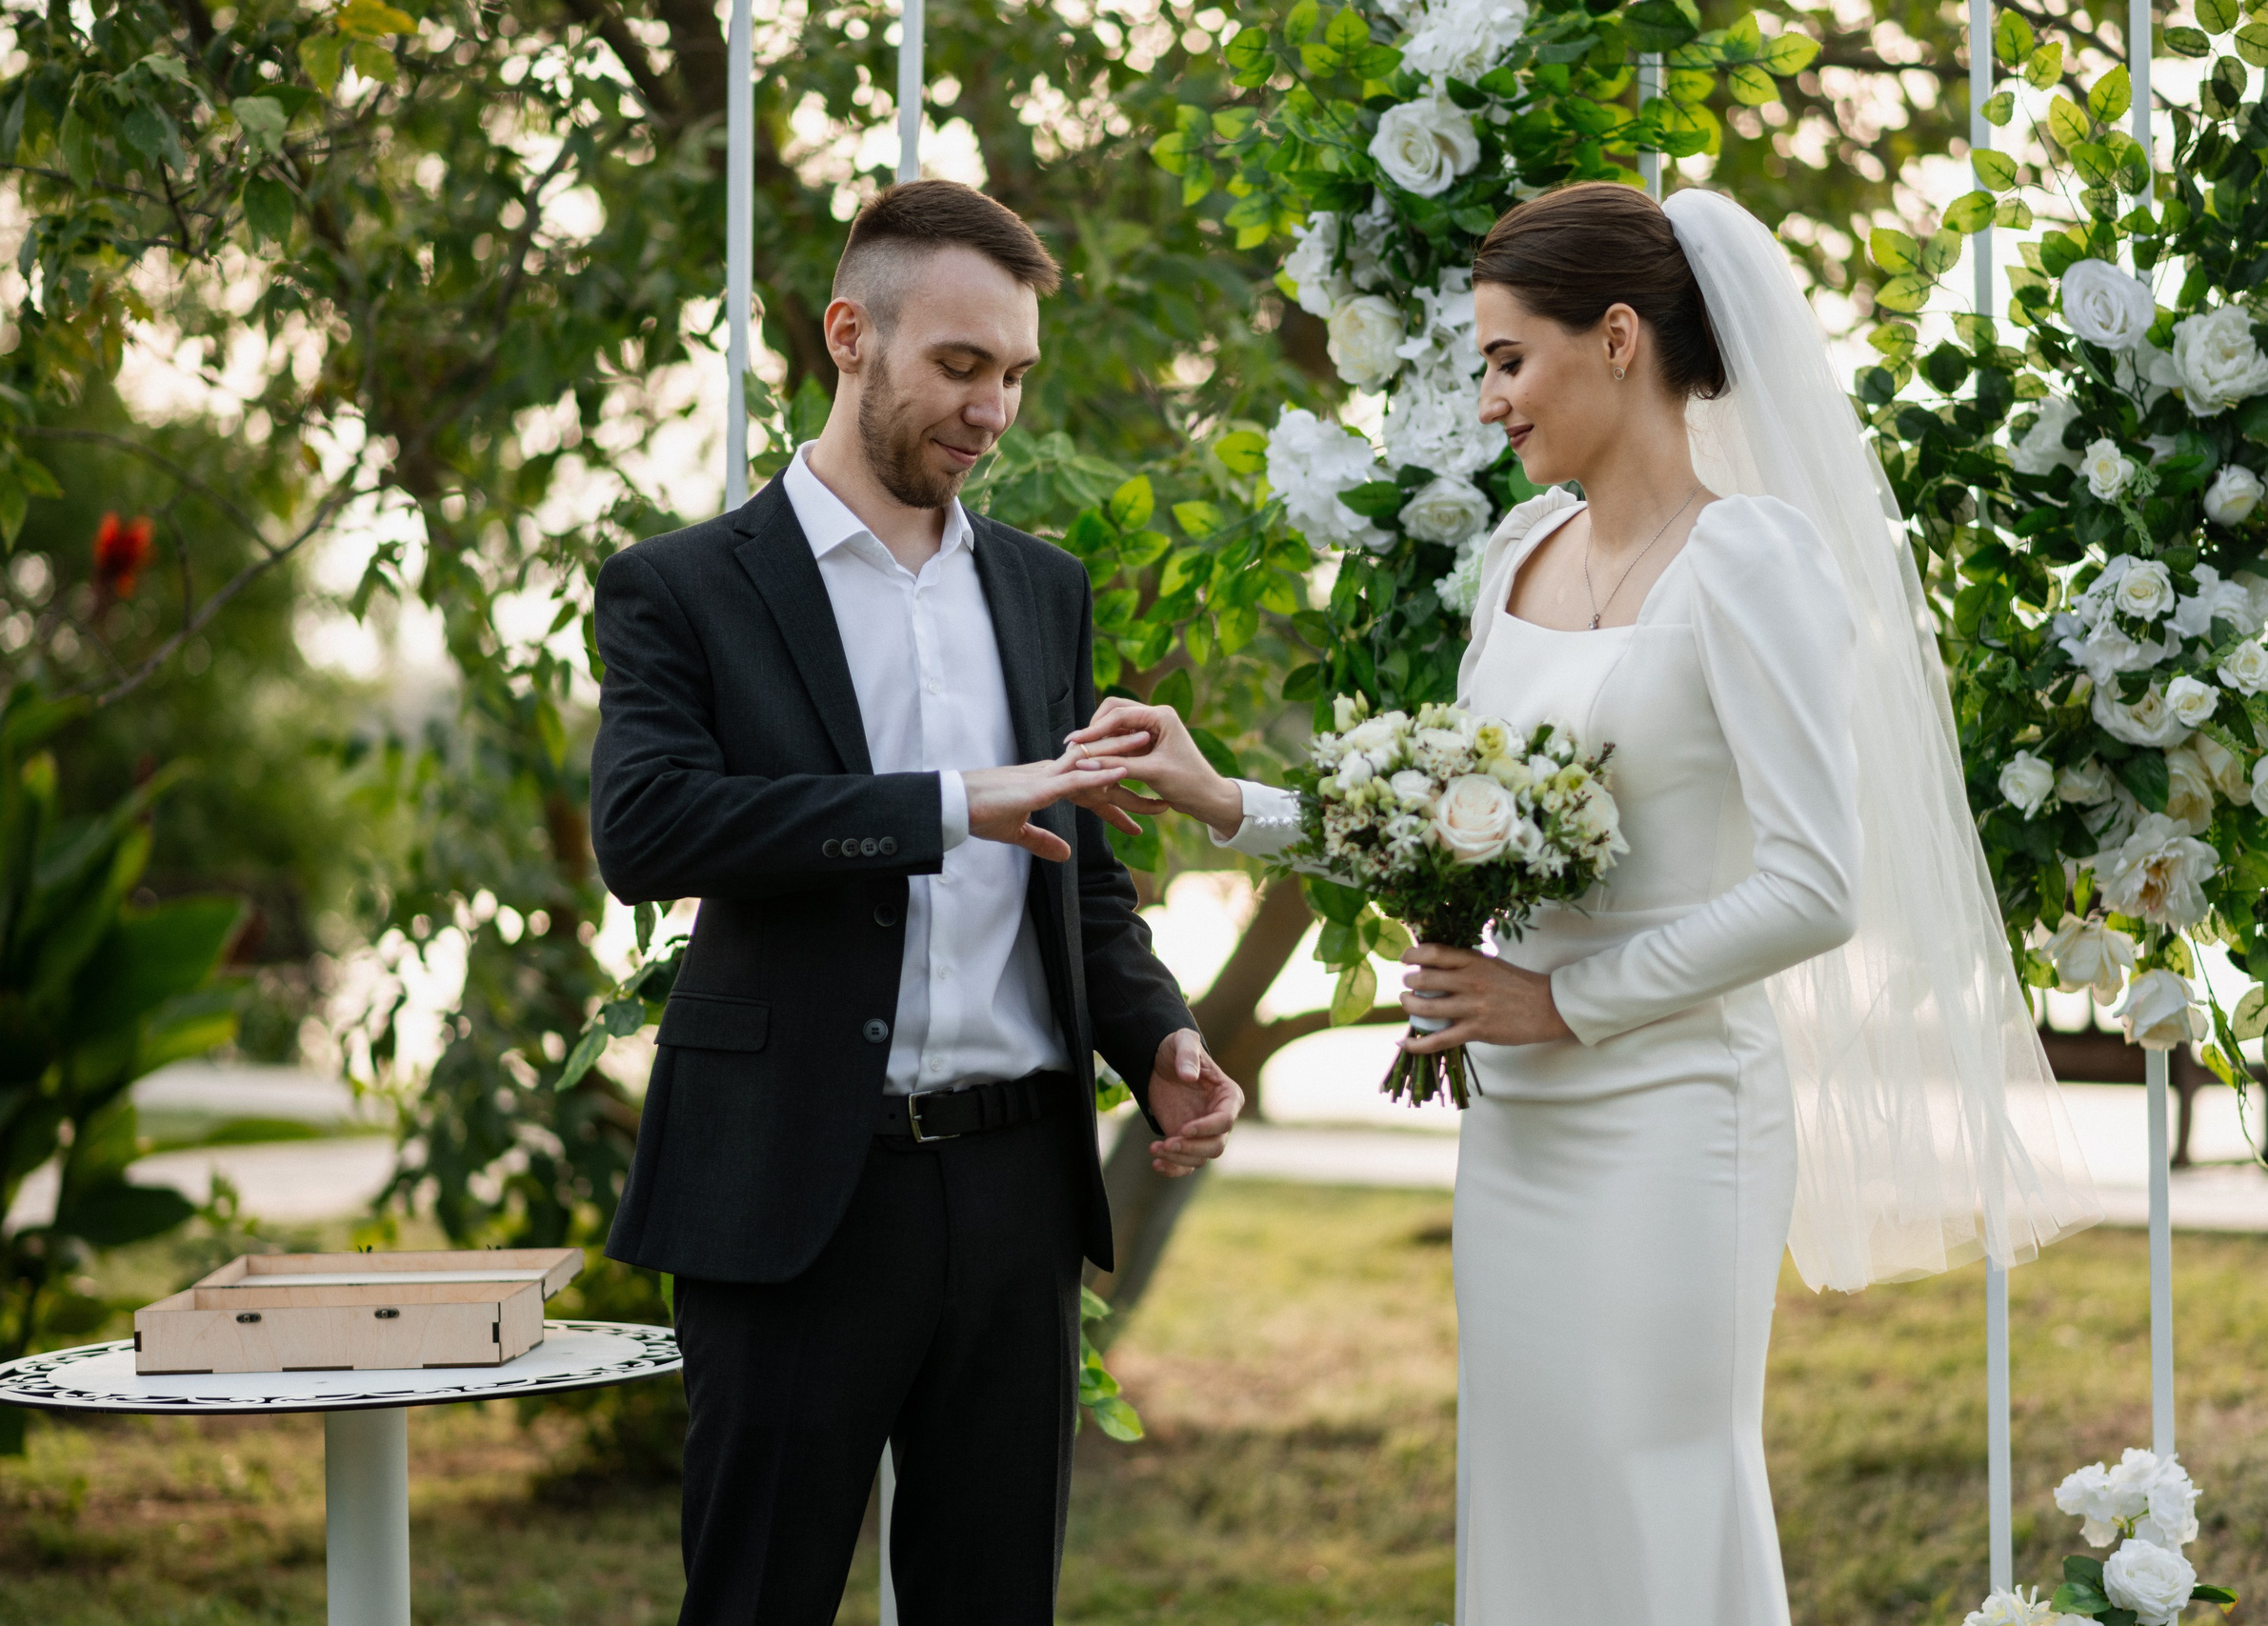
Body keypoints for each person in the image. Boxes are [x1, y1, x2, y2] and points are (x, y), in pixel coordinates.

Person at [1072, 182, 2100, 1622]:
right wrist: (1223, 793)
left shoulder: (1752, 560)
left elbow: (1817, 885)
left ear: (1618, 339)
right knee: (1532, 1482)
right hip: (1521, 1135)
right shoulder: (1519, 557)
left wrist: (1563, 1001)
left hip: (1675, 1117)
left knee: (1655, 1484)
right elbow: (1445, 831)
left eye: (1508, 359)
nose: (1489, 398)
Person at [588, 179, 1244, 1626]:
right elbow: (645, 830)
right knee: (757, 1599)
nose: (992, 410)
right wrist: (951, 806)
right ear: (849, 336)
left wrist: (1160, 1042)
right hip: (793, 1193)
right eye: (960, 365)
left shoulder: (1042, 590)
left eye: (1012, 374)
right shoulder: (682, 589)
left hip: (1016, 1189)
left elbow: (1088, 882)